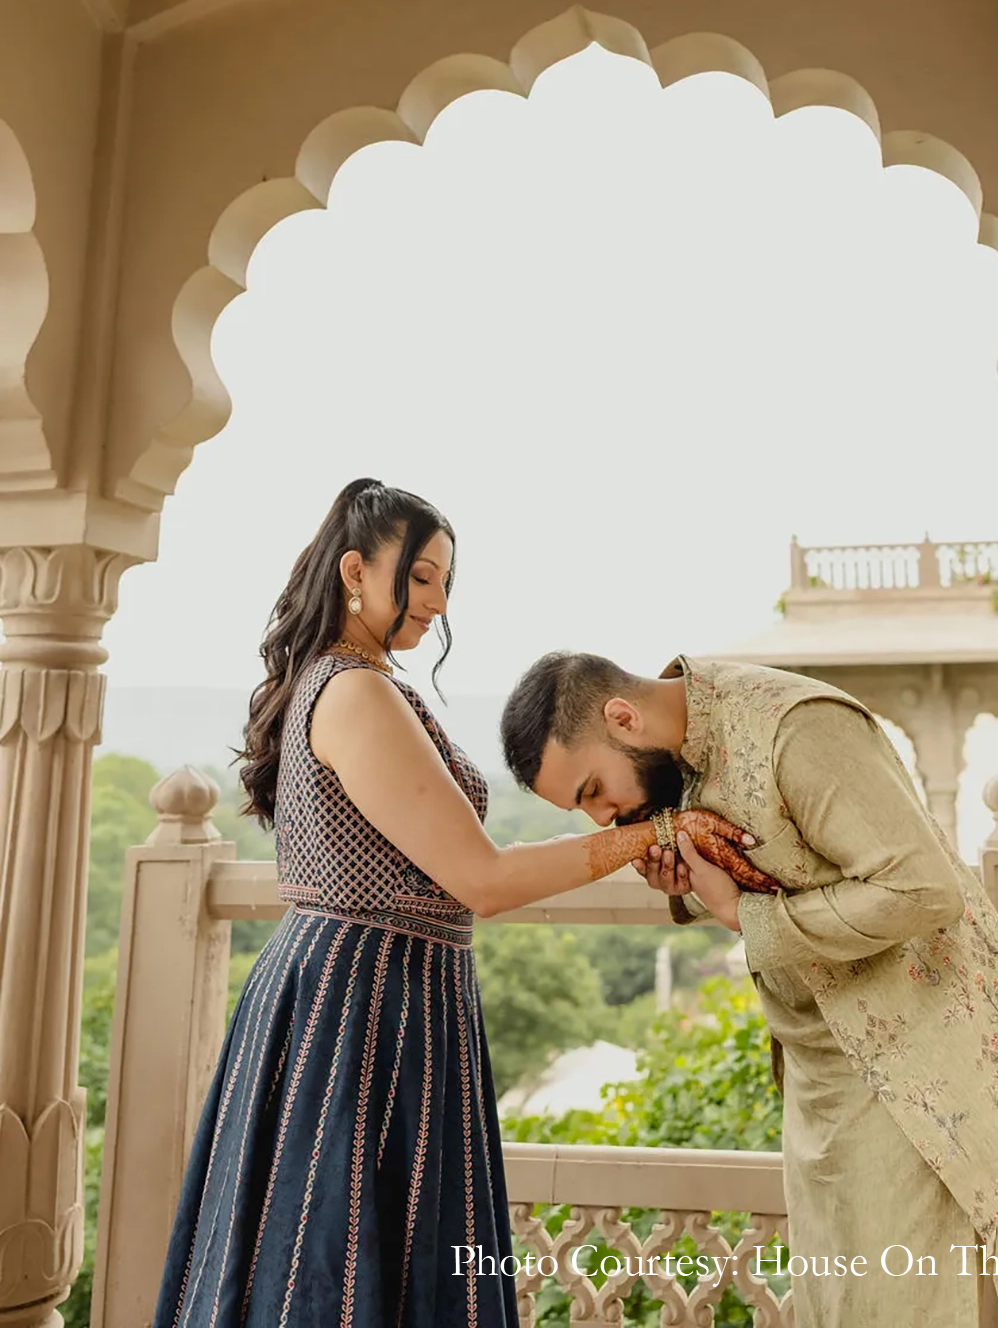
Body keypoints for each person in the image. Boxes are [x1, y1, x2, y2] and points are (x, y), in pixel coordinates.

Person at [154, 484, 771, 1328]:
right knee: (335, 1271)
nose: (440, 604)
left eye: (447, 582)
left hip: (374, 995)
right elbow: (480, 879)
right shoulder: (355, 693)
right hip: (363, 1009)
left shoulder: (343, 684)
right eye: (424, 577)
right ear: (356, 572)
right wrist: (653, 831)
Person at [500, 650, 998, 1328]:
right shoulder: (676, 766)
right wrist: (690, 888)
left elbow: (922, 889)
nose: (605, 818)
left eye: (593, 791)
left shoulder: (795, 728)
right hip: (822, 1076)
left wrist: (736, 915)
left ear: (622, 717)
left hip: (916, 1066)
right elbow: (788, 869)